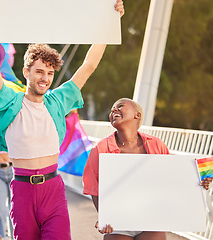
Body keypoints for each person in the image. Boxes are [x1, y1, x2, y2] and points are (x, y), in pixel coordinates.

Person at [0, 1, 124, 239]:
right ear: (26, 72)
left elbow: (88, 65)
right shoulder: (9, 101)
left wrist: (111, 22)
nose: (45, 78)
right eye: (39, 71)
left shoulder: (57, 102)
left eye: (50, 73)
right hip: (22, 190)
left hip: (53, 190)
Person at [82, 98, 213, 240]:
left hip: (152, 219)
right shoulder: (100, 148)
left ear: (137, 115)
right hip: (119, 222)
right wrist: (104, 216)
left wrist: (198, 183)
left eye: (120, 106)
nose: (113, 110)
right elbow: (93, 187)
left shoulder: (156, 144)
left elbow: (171, 178)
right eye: (112, 108)